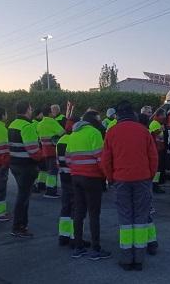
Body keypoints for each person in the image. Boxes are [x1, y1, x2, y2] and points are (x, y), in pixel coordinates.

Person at [101, 101, 158, 271]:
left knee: (125, 219)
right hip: (142, 180)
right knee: (141, 218)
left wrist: (111, 178)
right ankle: (139, 259)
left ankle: (126, 258)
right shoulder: (143, 131)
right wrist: (149, 177)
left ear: (117, 115)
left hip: (121, 180)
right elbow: (153, 157)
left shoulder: (111, 132)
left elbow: (106, 160)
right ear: (133, 113)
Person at [68, 111, 112, 260]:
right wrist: (107, 176)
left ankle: (78, 247)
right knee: (94, 214)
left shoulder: (73, 134)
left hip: (76, 177)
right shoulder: (94, 133)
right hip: (92, 178)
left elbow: (68, 158)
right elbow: (101, 159)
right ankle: (95, 248)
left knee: (79, 212)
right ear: (94, 120)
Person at [8, 101, 43, 237]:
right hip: (26, 166)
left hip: (15, 164)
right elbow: (33, 150)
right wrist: (41, 159)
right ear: (28, 110)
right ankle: (19, 226)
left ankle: (20, 225)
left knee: (22, 195)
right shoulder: (27, 126)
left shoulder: (12, 124)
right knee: (23, 197)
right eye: (30, 108)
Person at [56, 116, 85, 248]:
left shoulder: (61, 140)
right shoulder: (76, 139)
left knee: (65, 207)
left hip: (63, 176)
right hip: (75, 177)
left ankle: (63, 235)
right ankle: (75, 237)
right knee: (77, 208)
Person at [37, 105, 66, 198]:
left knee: (46, 169)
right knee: (52, 172)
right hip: (53, 150)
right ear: (50, 113)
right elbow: (62, 132)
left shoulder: (40, 124)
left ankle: (43, 186)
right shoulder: (52, 122)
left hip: (44, 150)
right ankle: (50, 191)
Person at [149, 109, 167, 194]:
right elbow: (153, 134)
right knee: (157, 168)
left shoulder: (157, 123)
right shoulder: (154, 123)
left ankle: (156, 184)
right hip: (157, 149)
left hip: (159, 149)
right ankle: (154, 185)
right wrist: (161, 129)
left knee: (158, 168)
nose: (164, 117)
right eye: (163, 115)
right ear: (158, 116)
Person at [32, 108, 47, 193]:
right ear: (39, 114)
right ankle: (35, 185)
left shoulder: (35, 123)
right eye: (42, 113)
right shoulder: (35, 124)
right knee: (37, 168)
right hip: (38, 148)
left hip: (40, 147)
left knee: (43, 167)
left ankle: (41, 184)